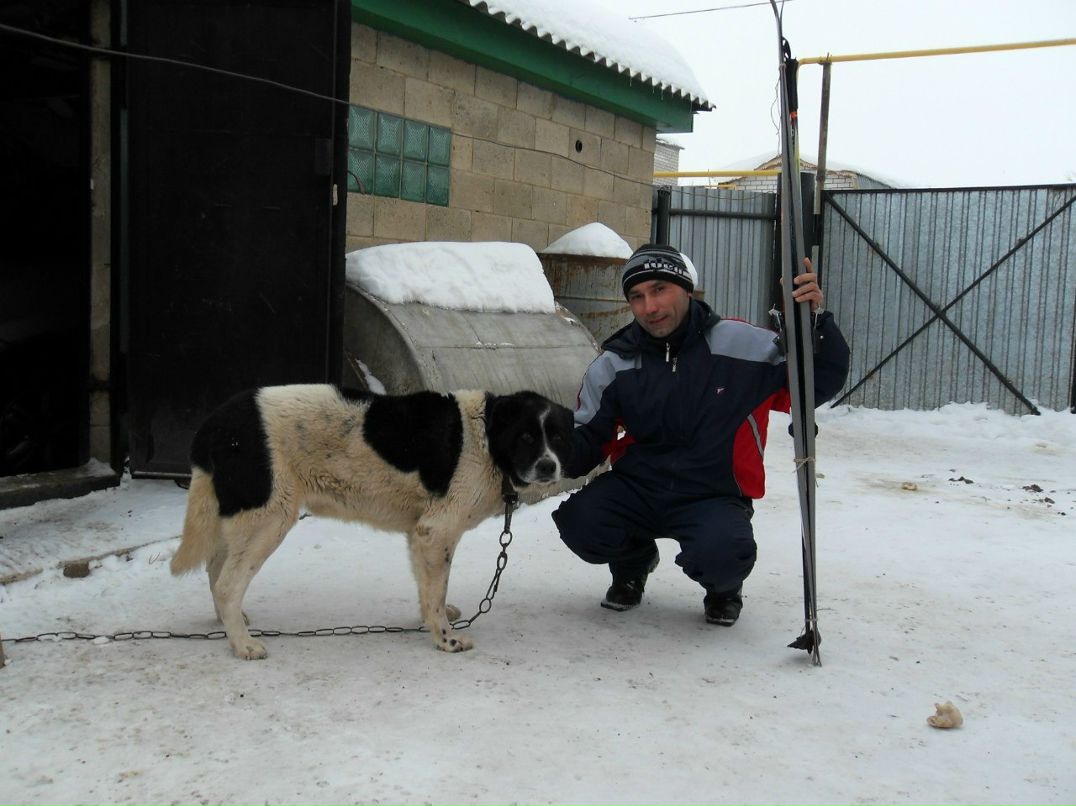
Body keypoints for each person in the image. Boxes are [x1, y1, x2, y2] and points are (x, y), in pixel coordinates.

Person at [553, 243, 850, 626]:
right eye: (637, 296)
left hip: (714, 493)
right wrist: (544, 448)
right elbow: (587, 443)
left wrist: (815, 322)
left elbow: (815, 383)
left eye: (660, 289)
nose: (650, 307)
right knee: (581, 522)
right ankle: (633, 562)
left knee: (723, 553)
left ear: (686, 289)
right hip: (639, 489)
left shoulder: (743, 345)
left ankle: (723, 589)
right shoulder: (615, 364)